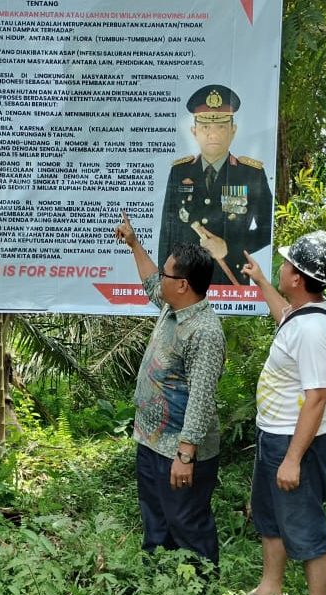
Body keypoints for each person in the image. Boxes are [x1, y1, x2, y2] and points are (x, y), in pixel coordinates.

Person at [231, 231, 326, 595]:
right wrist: (262, 281)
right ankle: (270, 588)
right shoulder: (304, 313)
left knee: (304, 523)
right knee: (269, 516)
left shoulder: (315, 331)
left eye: (285, 266)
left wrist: (294, 458)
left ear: (297, 278)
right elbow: (284, 316)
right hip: (275, 434)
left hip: (297, 442)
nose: (282, 269)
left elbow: (316, 398)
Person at [114, 211, 226, 567]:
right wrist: (133, 244)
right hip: (150, 441)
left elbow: (202, 398)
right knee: (156, 523)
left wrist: (185, 456)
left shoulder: (205, 331)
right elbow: (150, 282)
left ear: (183, 284)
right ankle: (156, 591)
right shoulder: (171, 307)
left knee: (186, 525)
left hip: (178, 451)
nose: (160, 279)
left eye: (167, 274)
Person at [157, 84, 274, 286]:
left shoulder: (251, 173)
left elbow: (267, 230)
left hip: (229, 279)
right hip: (187, 280)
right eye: (205, 127)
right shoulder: (180, 172)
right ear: (194, 131)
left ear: (233, 130)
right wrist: (164, 279)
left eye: (221, 127)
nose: (213, 134)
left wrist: (230, 247)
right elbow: (167, 231)